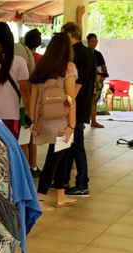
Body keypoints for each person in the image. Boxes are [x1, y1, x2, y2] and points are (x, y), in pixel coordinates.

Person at [29, 33, 78, 211]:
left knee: (62, 156)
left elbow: (33, 97)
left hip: (44, 118)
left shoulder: (41, 67)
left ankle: (60, 195)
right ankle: (39, 200)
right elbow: (70, 98)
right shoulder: (68, 68)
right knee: (54, 159)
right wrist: (72, 125)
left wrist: (33, 122)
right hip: (61, 121)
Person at [62, 20, 95, 197]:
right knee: (71, 145)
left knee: (76, 145)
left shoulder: (77, 54)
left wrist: (67, 102)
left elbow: (78, 83)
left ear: (68, 35)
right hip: (82, 105)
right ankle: (64, 179)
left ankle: (82, 183)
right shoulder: (88, 53)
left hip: (76, 106)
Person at [0, 25, 30, 139]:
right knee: (10, 149)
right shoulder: (20, 62)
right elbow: (24, 90)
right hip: (11, 114)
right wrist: (28, 111)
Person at [24, 28, 43, 178]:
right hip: (37, 99)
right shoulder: (40, 59)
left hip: (25, 98)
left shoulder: (24, 57)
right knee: (33, 136)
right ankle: (34, 165)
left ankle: (26, 166)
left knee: (24, 136)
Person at [87, 33, 109, 129]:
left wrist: (103, 76)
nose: (94, 43)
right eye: (92, 41)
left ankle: (94, 121)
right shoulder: (85, 53)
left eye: (96, 41)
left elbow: (103, 67)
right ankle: (80, 122)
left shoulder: (98, 54)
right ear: (88, 42)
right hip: (87, 81)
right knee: (84, 101)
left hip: (97, 82)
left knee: (94, 101)